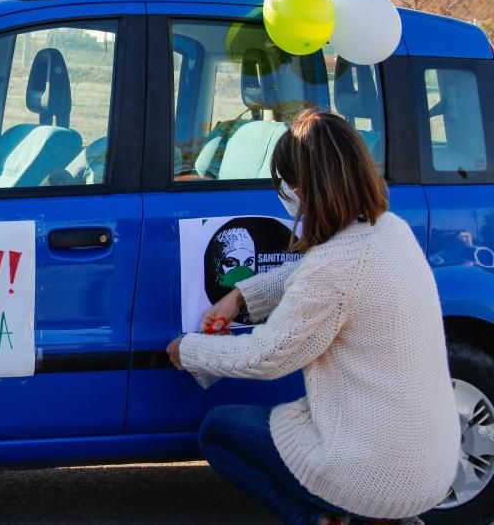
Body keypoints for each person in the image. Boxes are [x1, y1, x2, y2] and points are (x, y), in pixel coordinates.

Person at [165, 110, 459, 525]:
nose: (283, 191)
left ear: (305, 187)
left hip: (377, 474)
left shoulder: (334, 266)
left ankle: (327, 520)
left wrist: (189, 349)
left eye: (284, 182)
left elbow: (268, 356)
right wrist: (239, 297)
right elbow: (312, 274)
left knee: (218, 431)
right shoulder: (391, 231)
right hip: (433, 468)